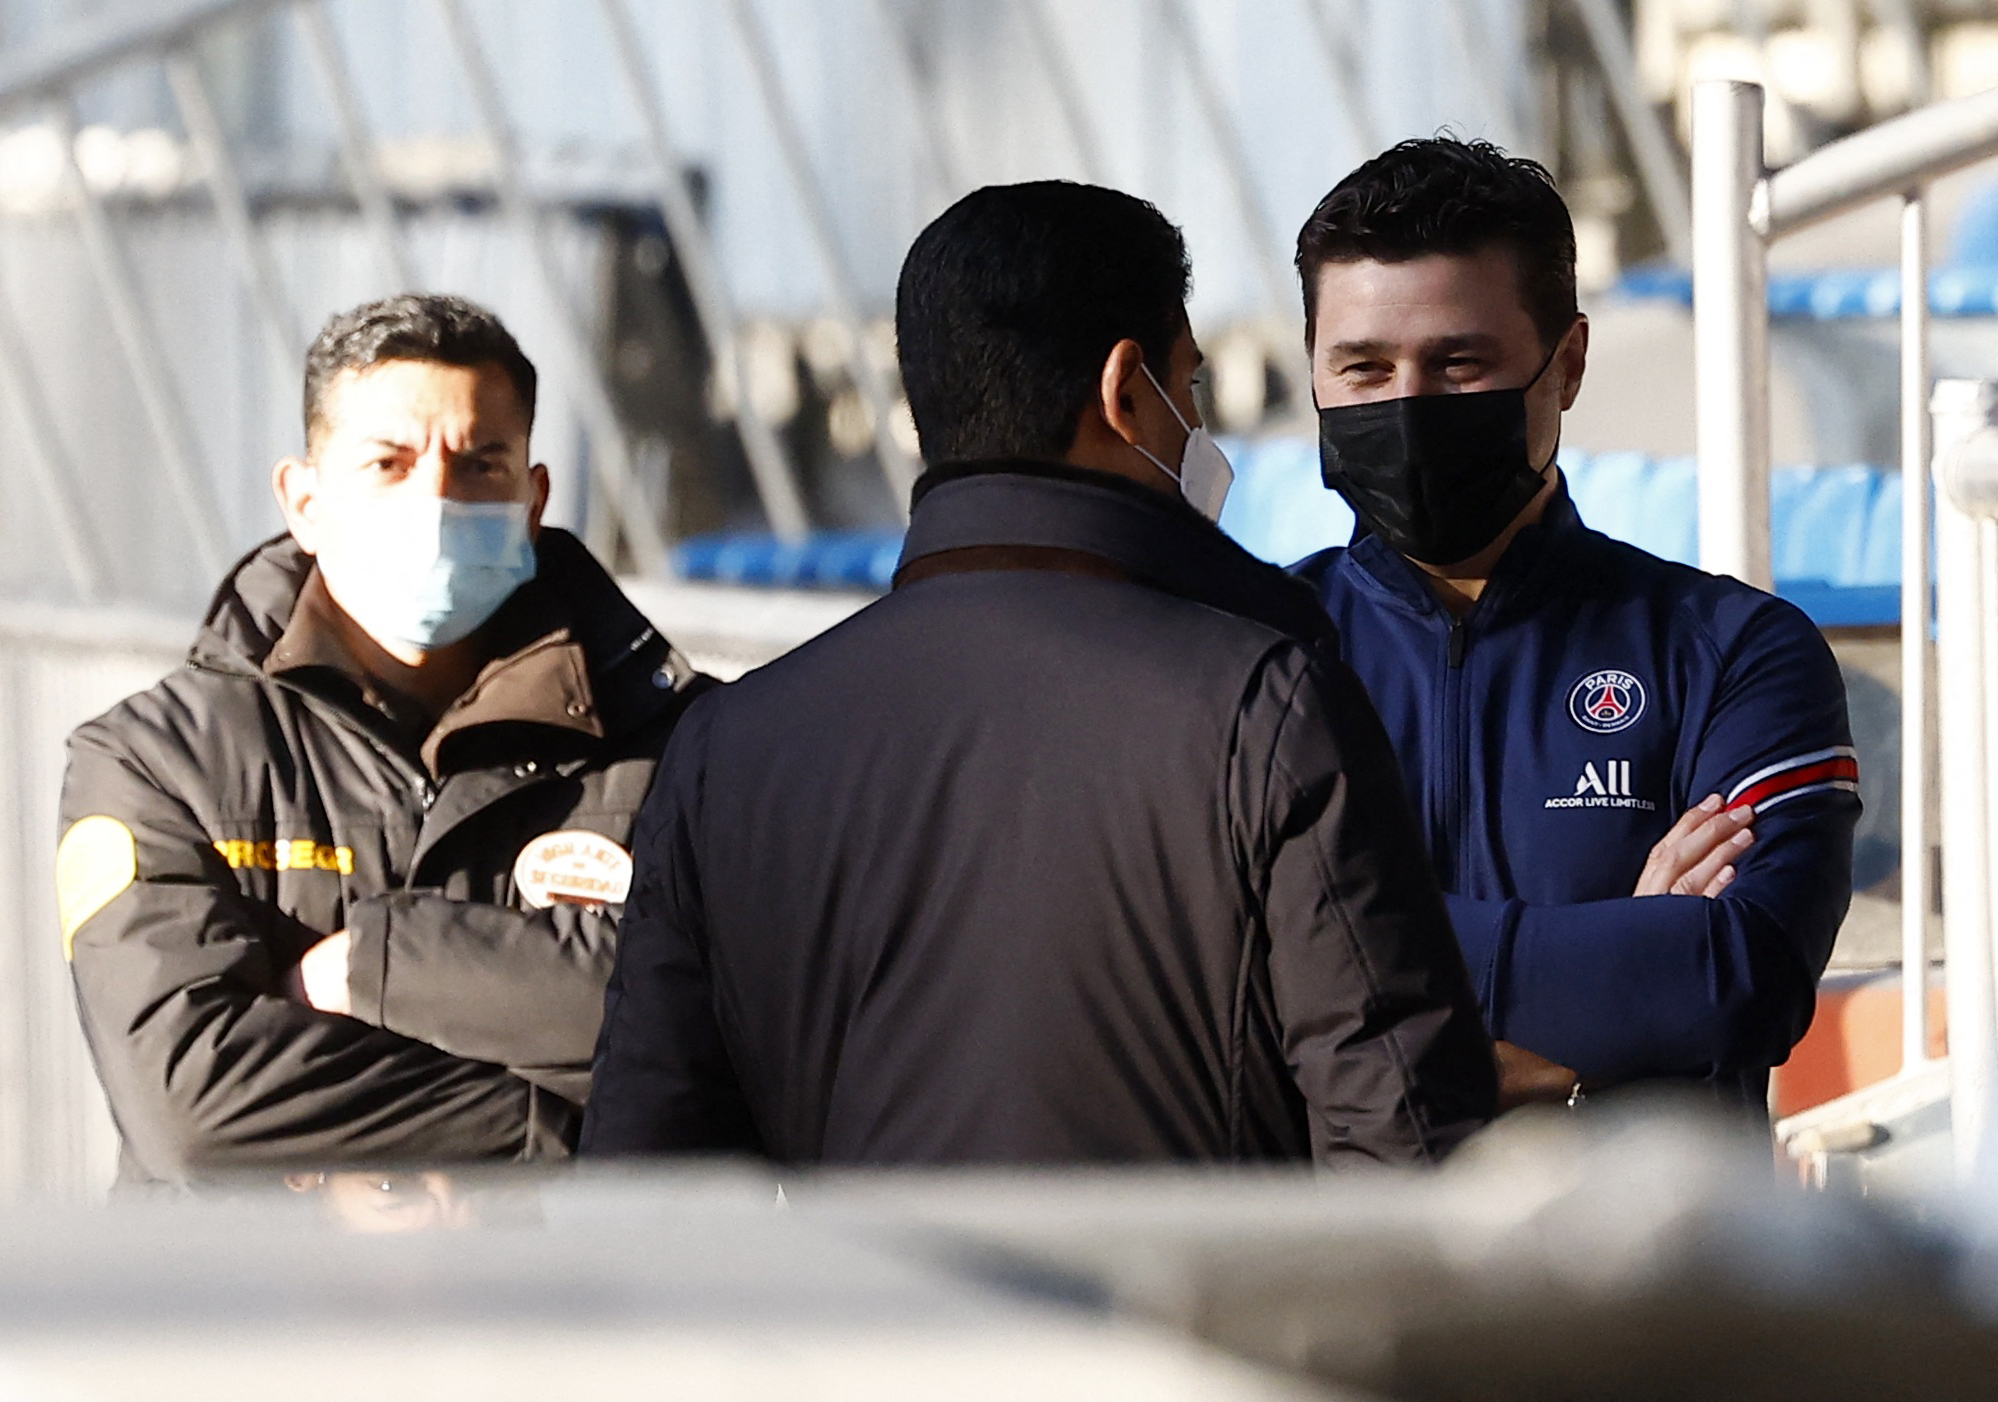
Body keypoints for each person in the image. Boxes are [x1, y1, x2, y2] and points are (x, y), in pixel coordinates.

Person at [580, 181, 1497, 1166]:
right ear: (1123, 390)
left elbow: (648, 1175)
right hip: (1182, 1319)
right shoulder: (1264, 704)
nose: (1194, 427)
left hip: (863, 1318)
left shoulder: (728, 748)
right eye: (1185, 391)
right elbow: (1402, 1143)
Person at [57, 294, 706, 1186]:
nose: (436, 499)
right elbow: (195, 1109)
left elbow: (714, 1024)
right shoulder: (158, 763)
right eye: (389, 464)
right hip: (253, 1317)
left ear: (533, 497)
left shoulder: (679, 747)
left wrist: (373, 965)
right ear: (305, 500)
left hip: (555, 1312)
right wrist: (558, 1129)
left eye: (480, 464)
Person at [1292, 139, 1860, 1117]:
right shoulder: (1248, 654)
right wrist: (1618, 980)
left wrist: (1337, 950)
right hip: (1339, 1267)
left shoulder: (1733, 653)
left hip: (1652, 1266)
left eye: (1456, 363)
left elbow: (1744, 978)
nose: (1404, 405)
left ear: (1567, 363)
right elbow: (1207, 992)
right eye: (1361, 368)